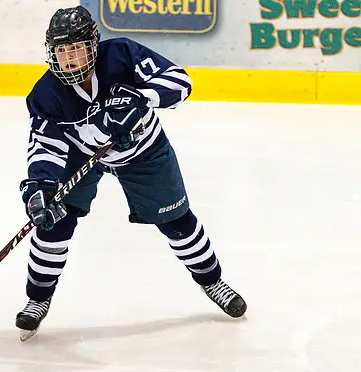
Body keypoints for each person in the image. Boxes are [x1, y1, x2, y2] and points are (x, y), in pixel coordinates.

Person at [16, 6, 246, 341]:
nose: (69, 60)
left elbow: (180, 81)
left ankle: (212, 281)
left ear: (93, 47)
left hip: (144, 151)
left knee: (177, 222)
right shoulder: (46, 94)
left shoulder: (122, 53)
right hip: (83, 153)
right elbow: (45, 147)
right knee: (55, 223)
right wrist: (41, 187)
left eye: (76, 50)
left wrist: (141, 98)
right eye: (62, 52)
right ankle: (37, 299)